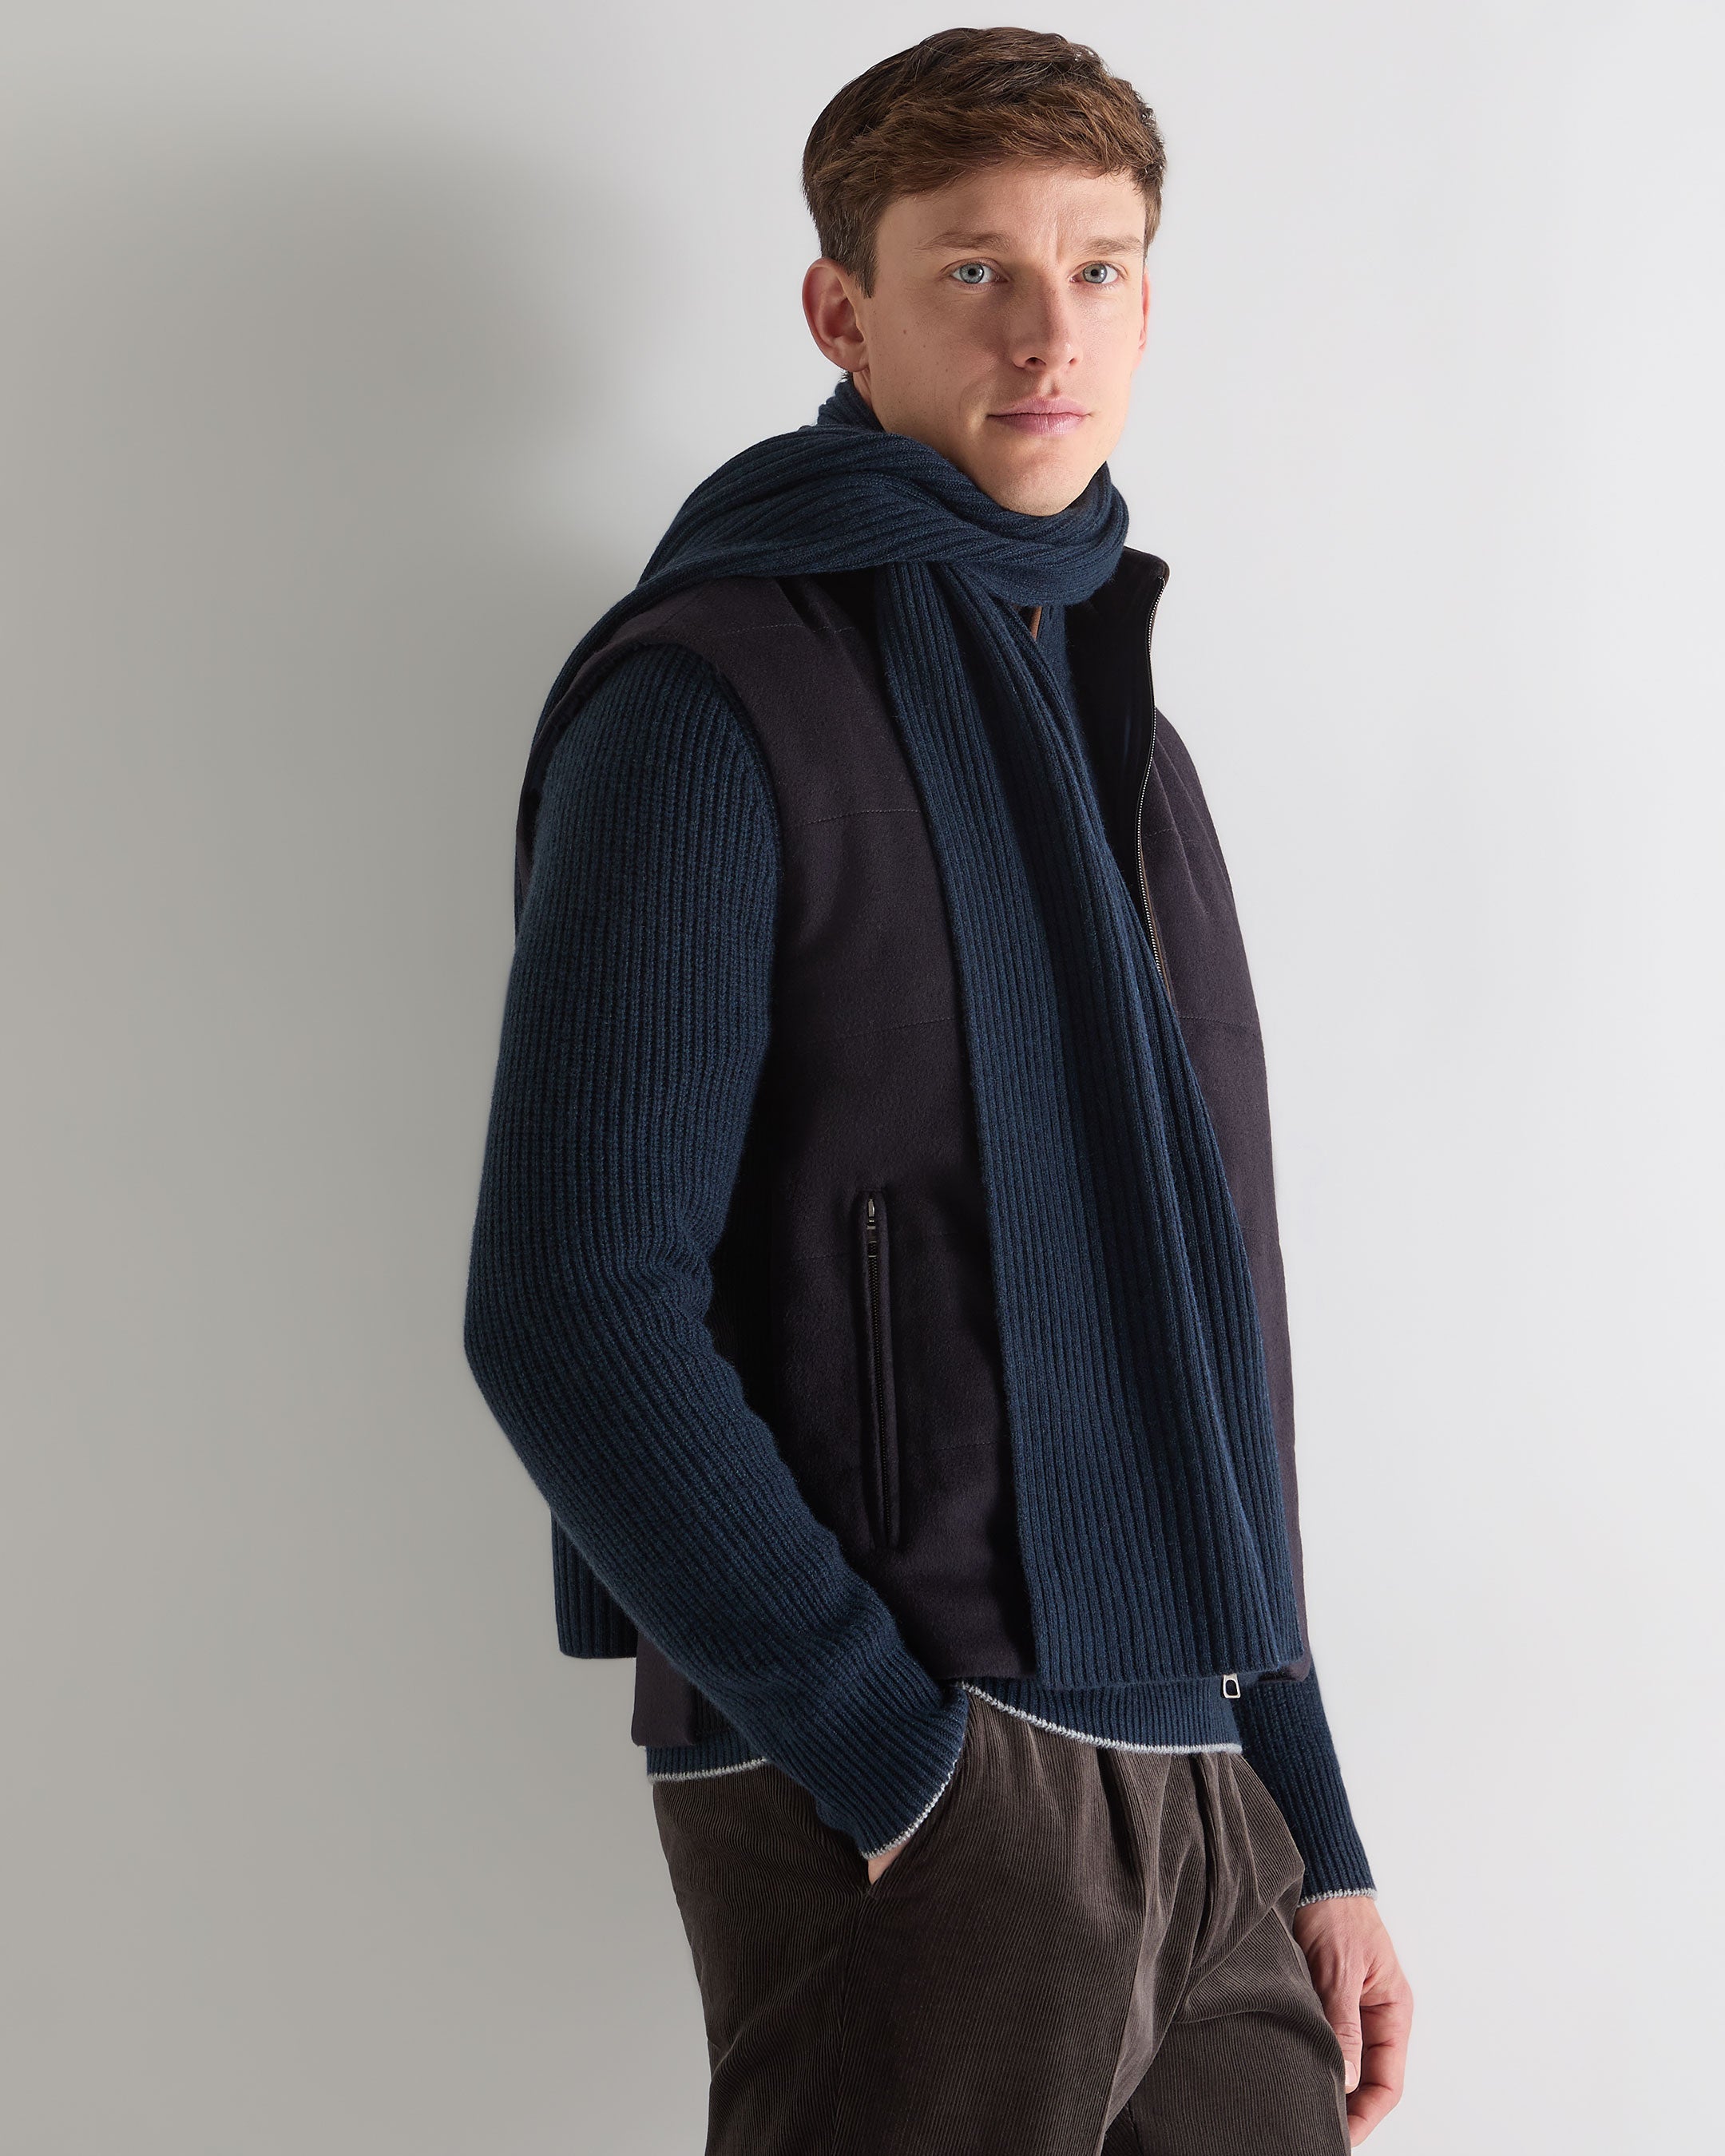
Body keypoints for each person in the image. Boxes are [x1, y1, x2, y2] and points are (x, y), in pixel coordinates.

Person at [463, 26, 1411, 2154]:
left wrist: (1314, 1818)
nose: (1047, 330)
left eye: (1099, 267)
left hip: (1214, 1793)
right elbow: (571, 1304)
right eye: (975, 269)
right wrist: (897, 1758)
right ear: (844, 311)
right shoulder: (709, 697)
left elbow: (1216, 1328)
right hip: (919, 1777)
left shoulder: (1125, 737)